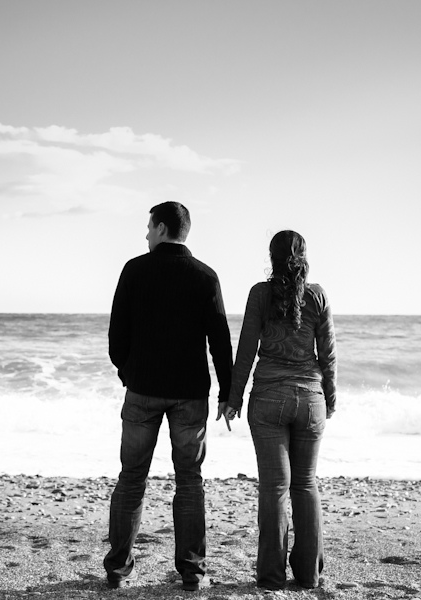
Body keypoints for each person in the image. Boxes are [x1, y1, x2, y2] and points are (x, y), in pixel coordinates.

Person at [104, 201, 233, 591]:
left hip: (142, 391)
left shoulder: (134, 270)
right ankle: (193, 573)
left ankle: (118, 571)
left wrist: (131, 372)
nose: (145, 234)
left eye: (148, 227)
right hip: (190, 394)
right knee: (190, 481)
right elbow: (220, 342)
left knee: (131, 479)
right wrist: (227, 392)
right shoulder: (205, 277)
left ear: (162, 228)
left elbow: (116, 337)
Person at [223, 230, 337, 590]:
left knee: (274, 488)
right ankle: (308, 575)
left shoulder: (260, 293)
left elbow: (245, 350)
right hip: (310, 399)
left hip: (269, 398)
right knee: (305, 484)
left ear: (272, 257)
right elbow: (328, 355)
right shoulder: (317, 295)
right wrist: (329, 399)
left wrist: (233, 398)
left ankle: (271, 577)